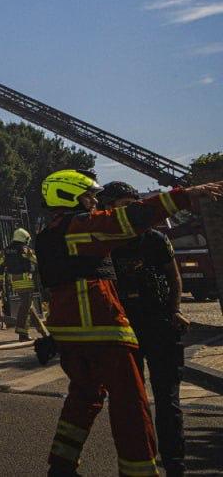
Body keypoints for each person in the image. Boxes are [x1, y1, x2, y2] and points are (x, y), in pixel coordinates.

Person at [35, 169, 222, 477]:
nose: (94, 202)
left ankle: (61, 466)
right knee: (130, 406)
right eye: (89, 196)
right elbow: (128, 219)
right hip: (102, 330)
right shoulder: (79, 227)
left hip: (70, 334)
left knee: (83, 398)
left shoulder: (47, 235)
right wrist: (184, 195)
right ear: (69, 196)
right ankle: (140, 472)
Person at [99, 181, 190, 477]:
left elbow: (173, 277)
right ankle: (142, 464)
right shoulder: (104, 244)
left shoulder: (155, 240)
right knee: (133, 403)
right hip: (126, 330)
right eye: (118, 206)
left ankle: (175, 465)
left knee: (168, 400)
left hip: (160, 325)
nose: (124, 211)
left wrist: (175, 310)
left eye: (129, 204)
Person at [0, 227, 48, 341]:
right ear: (23, 238)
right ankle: (22, 332)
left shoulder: (6, 250)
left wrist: (0, 282)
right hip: (26, 280)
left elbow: (0, 266)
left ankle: (43, 332)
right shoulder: (24, 249)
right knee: (25, 306)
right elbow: (36, 260)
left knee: (28, 306)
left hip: (15, 281)